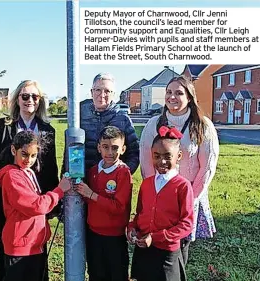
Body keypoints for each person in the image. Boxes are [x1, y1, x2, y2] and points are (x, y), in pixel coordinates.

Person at [0, 80, 59, 281]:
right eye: (25, 96)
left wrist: (52, 205)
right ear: (17, 99)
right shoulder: (2, 126)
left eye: (34, 96)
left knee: (37, 247)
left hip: (37, 200)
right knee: (7, 246)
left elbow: (51, 168)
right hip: (7, 200)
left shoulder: (47, 129)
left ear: (40, 100)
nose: (29, 100)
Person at [139, 76, 219, 265]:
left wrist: (190, 198)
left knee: (179, 246)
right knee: (156, 243)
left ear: (189, 97)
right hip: (159, 196)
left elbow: (207, 166)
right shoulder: (153, 124)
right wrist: (155, 191)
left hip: (189, 196)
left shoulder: (203, 125)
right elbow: (146, 161)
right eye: (169, 92)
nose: (172, 97)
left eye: (179, 93)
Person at [0, 130, 71, 281]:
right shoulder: (12, 176)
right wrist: (59, 191)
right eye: (24, 154)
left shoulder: (27, 172)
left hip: (33, 243)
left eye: (33, 155)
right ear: (13, 150)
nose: (28, 160)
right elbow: (36, 206)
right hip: (20, 246)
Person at [127, 126, 194, 281]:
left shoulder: (183, 186)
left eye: (167, 156)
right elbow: (140, 213)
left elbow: (186, 224)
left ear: (179, 156)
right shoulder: (147, 183)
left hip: (166, 252)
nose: (161, 161)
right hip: (143, 248)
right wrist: (132, 227)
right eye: (156, 156)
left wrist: (156, 237)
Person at [74, 126, 132, 281]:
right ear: (99, 147)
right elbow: (88, 200)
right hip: (94, 234)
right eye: (105, 147)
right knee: (96, 274)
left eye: (115, 148)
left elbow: (119, 207)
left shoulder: (123, 173)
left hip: (115, 237)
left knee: (116, 275)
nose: (110, 153)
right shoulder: (93, 171)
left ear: (123, 149)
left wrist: (91, 195)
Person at [79, 72, 139, 175]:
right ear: (91, 91)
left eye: (107, 91)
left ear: (113, 94)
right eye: (98, 90)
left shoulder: (122, 119)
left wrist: (121, 176)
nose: (102, 95)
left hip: (111, 185)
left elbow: (134, 153)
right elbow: (70, 149)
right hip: (82, 181)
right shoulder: (80, 115)